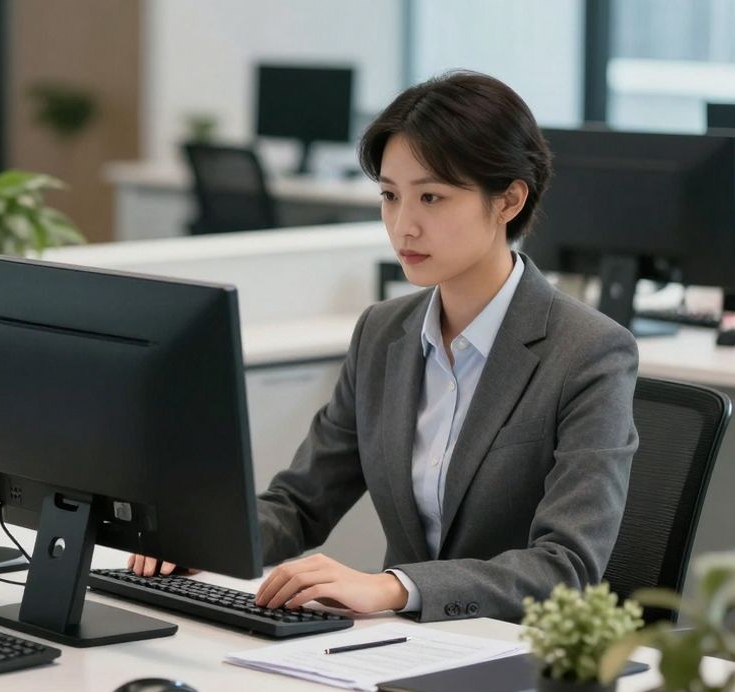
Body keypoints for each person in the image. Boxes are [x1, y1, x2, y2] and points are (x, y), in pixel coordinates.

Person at [131, 71, 638, 623]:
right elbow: (299, 505)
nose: (403, 227)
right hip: (399, 650)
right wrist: (201, 542)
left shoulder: (589, 352)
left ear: (509, 200)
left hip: (513, 655)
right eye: (390, 197)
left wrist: (396, 588)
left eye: (432, 198)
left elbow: (565, 567)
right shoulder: (383, 333)